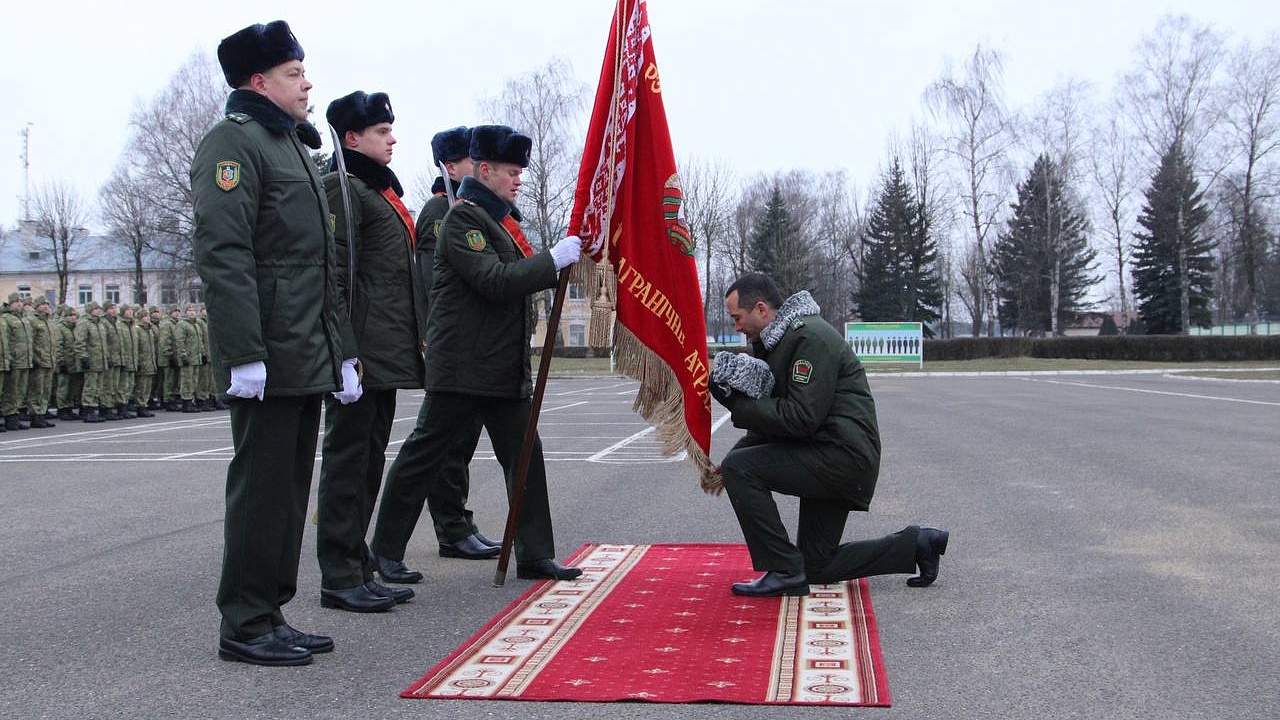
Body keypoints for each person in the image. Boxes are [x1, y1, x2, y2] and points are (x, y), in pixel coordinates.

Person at [191, 19, 360, 667]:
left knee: (289, 493)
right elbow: (225, 254)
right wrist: (243, 352)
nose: (306, 82)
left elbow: (320, 265)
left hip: (305, 349)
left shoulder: (289, 145)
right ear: (259, 81)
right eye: (294, 74)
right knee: (261, 491)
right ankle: (245, 621)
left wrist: (341, 349)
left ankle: (270, 611)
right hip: (267, 352)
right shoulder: (231, 146)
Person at [370, 125, 585, 582]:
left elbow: (510, 278)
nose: (518, 179)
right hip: (463, 367)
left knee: (526, 455)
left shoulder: (497, 222)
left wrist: (554, 261)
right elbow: (495, 281)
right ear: (484, 170)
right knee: (423, 456)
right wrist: (552, 260)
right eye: (511, 171)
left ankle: (534, 553)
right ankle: (384, 551)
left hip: (501, 368)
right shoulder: (463, 219)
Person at [710, 273, 949, 597]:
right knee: (816, 565)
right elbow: (777, 421)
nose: (736, 326)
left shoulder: (808, 339)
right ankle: (917, 544)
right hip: (829, 453)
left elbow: (800, 419)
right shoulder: (780, 342)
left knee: (742, 467)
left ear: (762, 309)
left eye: (737, 317)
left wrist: (738, 408)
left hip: (841, 457)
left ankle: (783, 569)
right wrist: (731, 452)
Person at [314, 89, 423, 613]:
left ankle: (357, 563)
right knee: (347, 462)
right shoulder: (342, 188)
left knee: (368, 462)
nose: (392, 139)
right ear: (353, 138)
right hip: (360, 354)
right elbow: (332, 277)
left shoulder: (374, 191)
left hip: (383, 354)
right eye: (382, 132)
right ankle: (338, 573)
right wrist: (344, 353)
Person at [376, 124, 501, 569]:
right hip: (450, 347)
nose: (480, 168)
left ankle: (458, 524)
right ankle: (451, 527)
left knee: (459, 441)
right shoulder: (439, 211)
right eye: (472, 160)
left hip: (472, 349)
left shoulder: (467, 208)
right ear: (451, 167)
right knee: (444, 444)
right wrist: (434, 340)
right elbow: (434, 285)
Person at [25, 297, 58, 427]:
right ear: (37, 306)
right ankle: (35, 415)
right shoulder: (32, 320)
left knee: (46, 390)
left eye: (46, 304)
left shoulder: (48, 321)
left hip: (49, 360)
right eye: (42, 304)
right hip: (39, 360)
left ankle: (42, 414)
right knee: (36, 390)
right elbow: (30, 341)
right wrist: (34, 358)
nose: (45, 306)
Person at [2, 294, 34, 431]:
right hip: (13, 360)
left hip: (25, 360)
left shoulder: (24, 319)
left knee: (20, 391)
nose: (19, 304)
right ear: (10, 303)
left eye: (21, 301)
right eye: (16, 302)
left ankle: (14, 417)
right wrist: (9, 359)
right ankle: (9, 416)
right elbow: (7, 341)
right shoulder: (6, 318)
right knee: (10, 391)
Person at [74, 301, 107, 423]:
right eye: (96, 308)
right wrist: (83, 357)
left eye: (99, 308)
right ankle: (88, 410)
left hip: (100, 360)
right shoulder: (84, 323)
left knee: (98, 387)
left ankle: (94, 409)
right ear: (90, 310)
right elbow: (80, 342)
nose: (98, 310)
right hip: (91, 360)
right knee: (90, 387)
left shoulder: (99, 323)